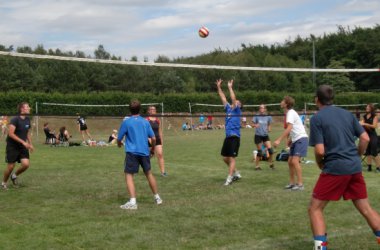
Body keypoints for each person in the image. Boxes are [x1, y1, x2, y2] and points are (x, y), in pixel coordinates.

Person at [308, 85, 380, 249]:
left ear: (316, 100)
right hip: (354, 168)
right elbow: (365, 138)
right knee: (366, 208)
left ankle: (320, 248)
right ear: (332, 99)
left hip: (335, 168)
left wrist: (320, 163)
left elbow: (320, 150)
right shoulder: (347, 114)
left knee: (315, 209)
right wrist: (356, 155)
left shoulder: (317, 118)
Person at [117, 100, 162, 210]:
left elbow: (119, 138)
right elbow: (154, 138)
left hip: (132, 153)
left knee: (128, 175)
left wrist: (119, 144)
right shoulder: (145, 122)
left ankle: (133, 202)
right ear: (140, 109)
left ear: (130, 110)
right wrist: (152, 150)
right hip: (144, 152)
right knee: (149, 174)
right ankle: (157, 198)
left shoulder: (126, 122)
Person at [273, 96, 308, 191]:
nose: (281, 102)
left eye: (282, 100)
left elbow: (289, 128)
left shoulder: (290, 113)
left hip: (301, 139)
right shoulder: (289, 113)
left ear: (286, 104)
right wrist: (291, 140)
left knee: (295, 161)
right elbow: (293, 128)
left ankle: (300, 184)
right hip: (296, 140)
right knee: (290, 161)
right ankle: (292, 183)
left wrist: (279, 140)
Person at [2, 102, 34, 189]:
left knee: (26, 164)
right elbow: (11, 133)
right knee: (11, 166)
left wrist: (30, 144)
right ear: (22, 109)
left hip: (22, 146)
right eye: (27, 107)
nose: (29, 108)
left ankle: (14, 176)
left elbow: (27, 133)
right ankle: (3, 183)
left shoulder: (27, 119)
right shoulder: (15, 119)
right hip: (12, 145)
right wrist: (23, 142)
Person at [216, 78, 242, 186]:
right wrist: (218, 87)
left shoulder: (237, 110)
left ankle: (229, 178)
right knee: (225, 158)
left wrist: (230, 87)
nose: (236, 102)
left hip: (234, 137)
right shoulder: (228, 109)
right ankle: (236, 173)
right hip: (228, 137)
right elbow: (223, 97)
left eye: (238, 102)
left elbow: (232, 98)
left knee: (231, 158)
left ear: (239, 106)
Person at [252, 104, 274, 170]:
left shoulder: (268, 116)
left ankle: (271, 164)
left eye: (262, 108)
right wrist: (255, 125)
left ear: (265, 109)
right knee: (260, 152)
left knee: (271, 150)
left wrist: (269, 128)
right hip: (258, 135)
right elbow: (252, 124)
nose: (261, 109)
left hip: (265, 135)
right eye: (260, 108)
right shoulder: (256, 116)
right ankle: (257, 166)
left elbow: (269, 124)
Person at [147, 105, 167, 176]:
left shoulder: (158, 120)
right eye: (151, 109)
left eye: (154, 110)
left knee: (160, 154)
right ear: (148, 111)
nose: (153, 111)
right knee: (149, 155)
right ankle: (146, 168)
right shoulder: (146, 120)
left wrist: (161, 141)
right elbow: (144, 131)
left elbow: (160, 131)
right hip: (149, 139)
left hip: (157, 139)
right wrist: (148, 139)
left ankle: (163, 172)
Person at [360, 104, 380, 172]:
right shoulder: (364, 116)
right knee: (367, 152)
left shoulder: (375, 116)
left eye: (368, 107)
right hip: (366, 135)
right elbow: (361, 124)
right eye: (366, 107)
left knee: (374, 152)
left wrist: (365, 124)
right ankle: (369, 167)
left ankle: (378, 168)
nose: (367, 108)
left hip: (373, 135)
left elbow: (374, 126)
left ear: (372, 108)